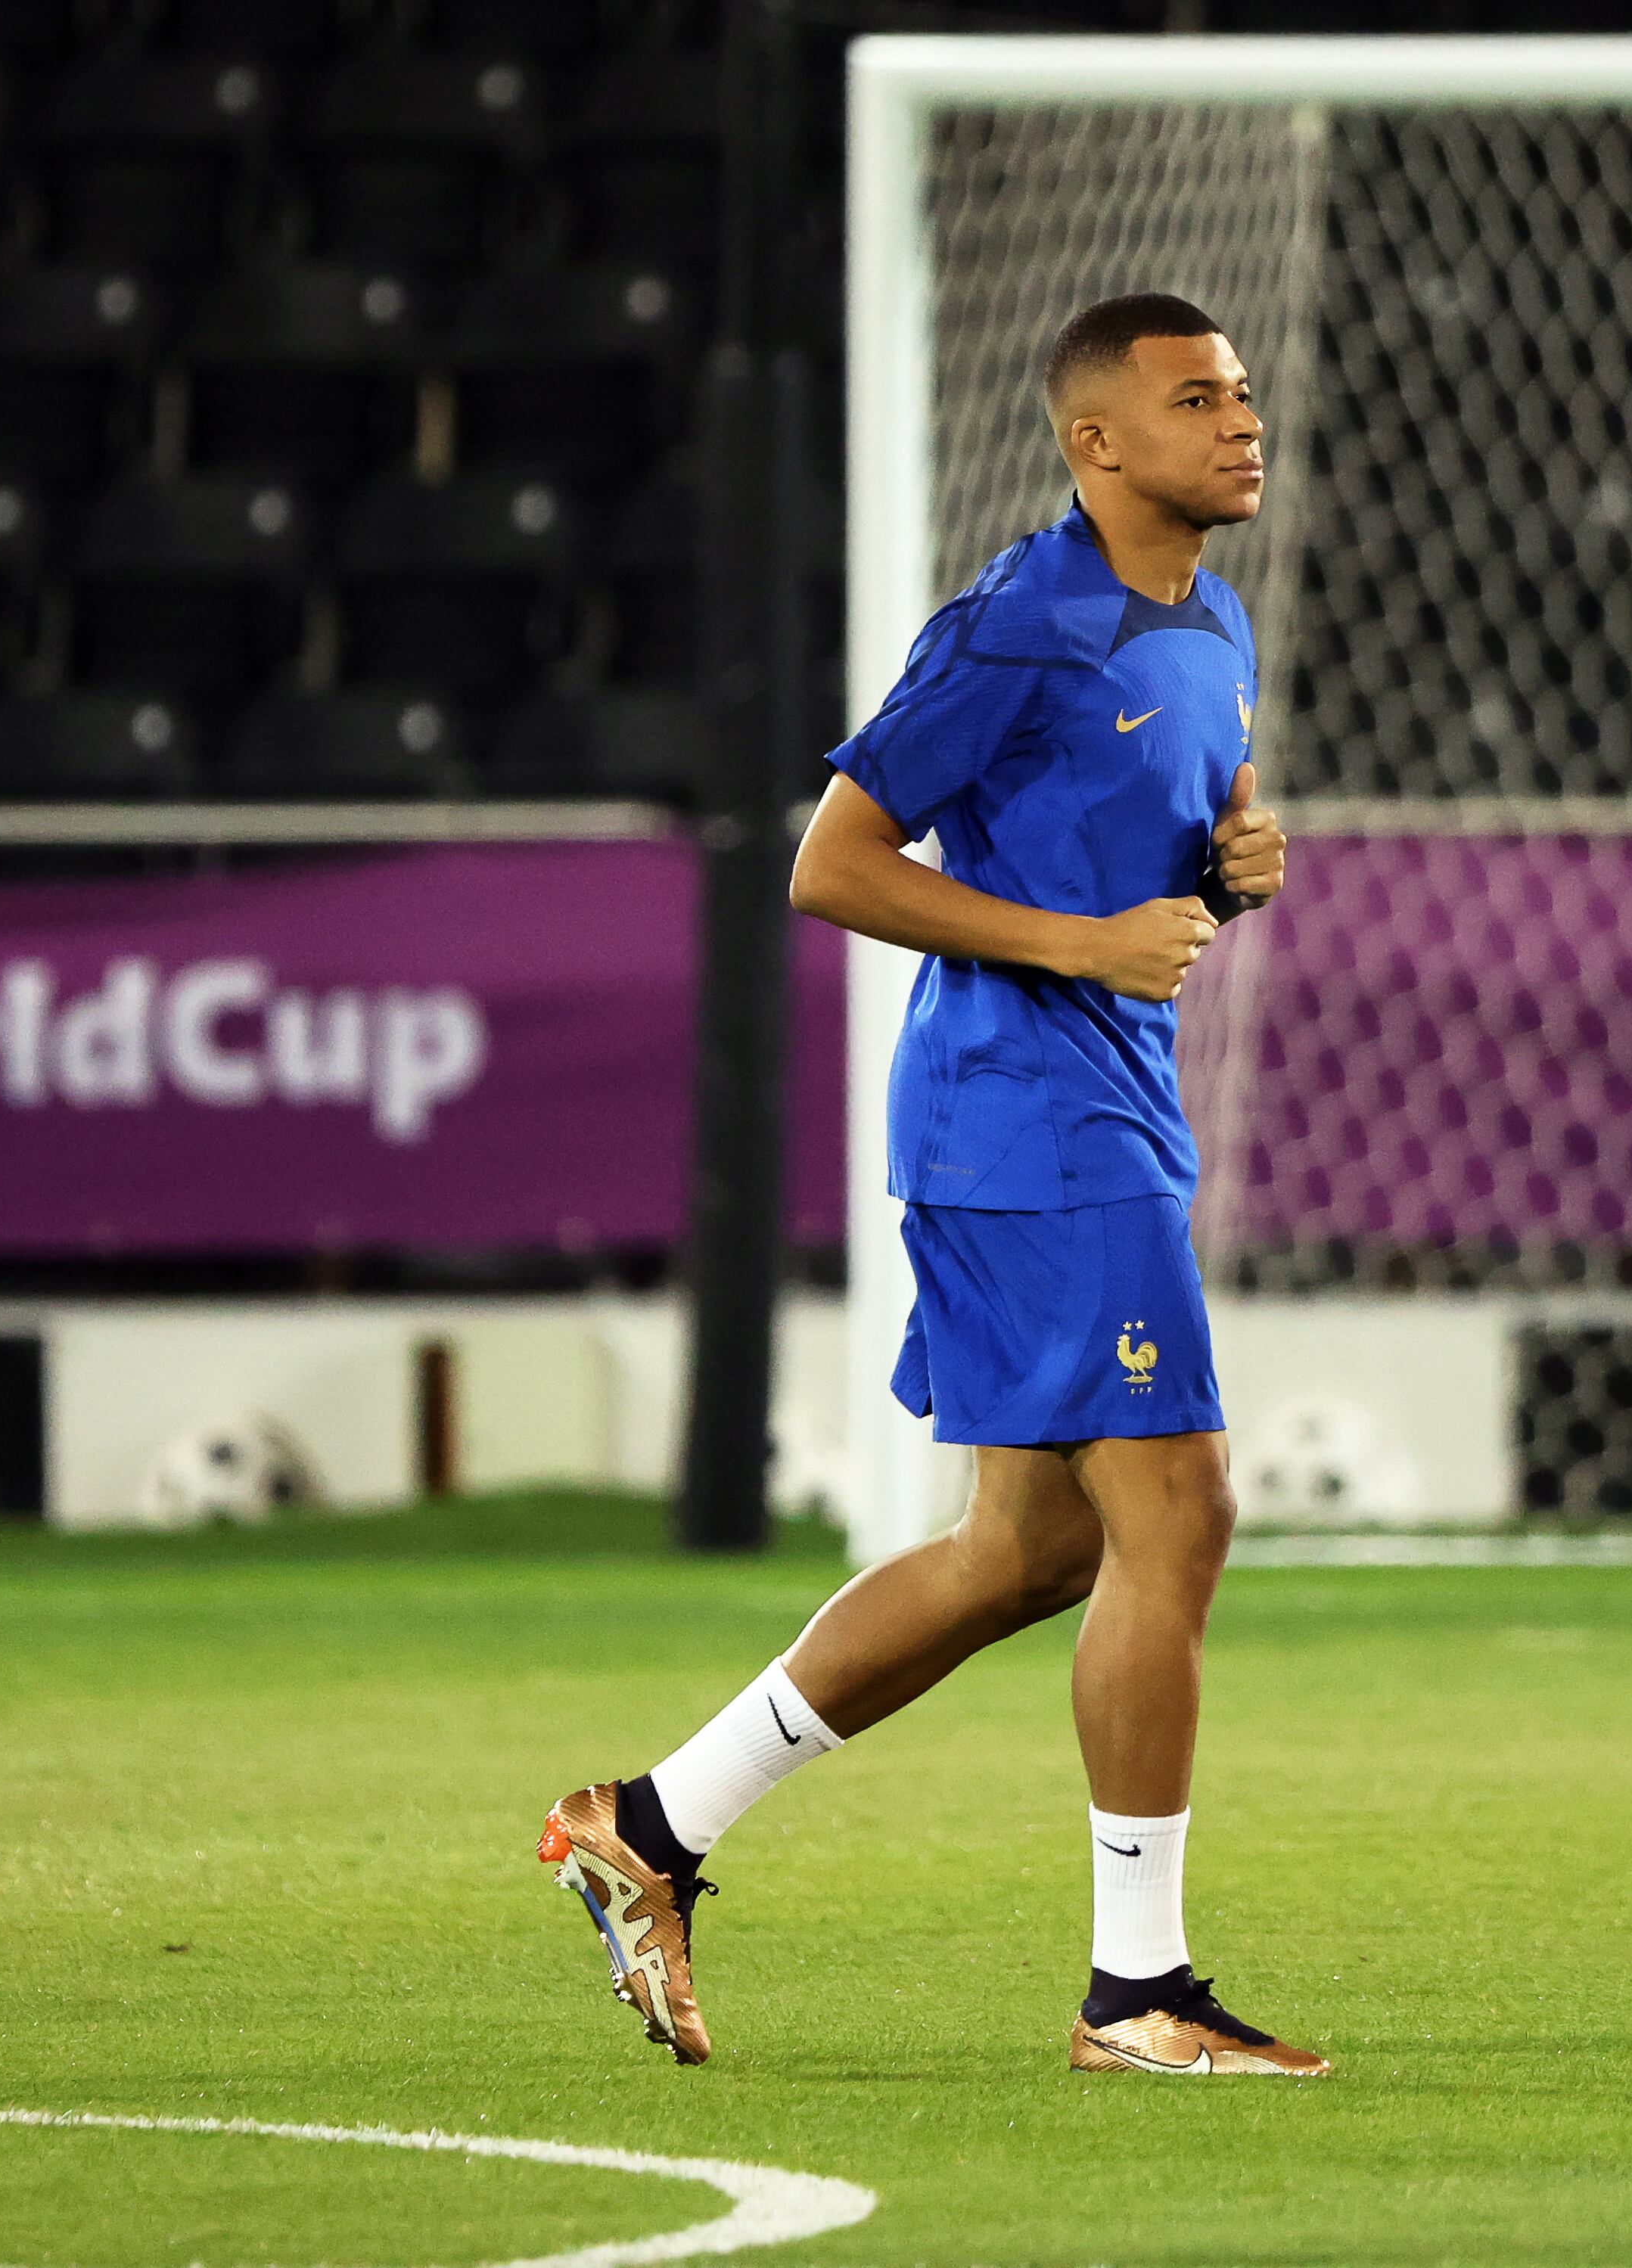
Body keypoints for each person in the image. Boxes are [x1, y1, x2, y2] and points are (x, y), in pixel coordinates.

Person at [538, 292, 1323, 2080]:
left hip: (1098, 1098)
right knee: (1176, 1516)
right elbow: (832, 863)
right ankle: (1137, 1993)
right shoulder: (1015, 623)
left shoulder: (1208, 614)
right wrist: (1080, 937)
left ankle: (648, 1823)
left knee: (1029, 1548)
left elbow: (1187, 836)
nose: (1238, 422)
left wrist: (1234, 862)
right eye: (1194, 399)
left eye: (1244, 394)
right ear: (1094, 441)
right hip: (1021, 1112)